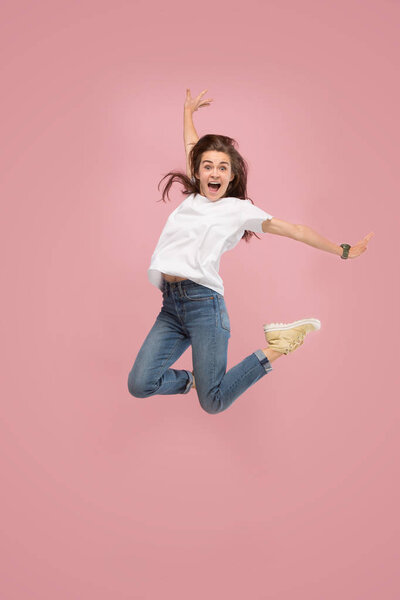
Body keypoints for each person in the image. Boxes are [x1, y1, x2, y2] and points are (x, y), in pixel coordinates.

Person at [127, 89, 373, 414]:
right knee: (140, 384)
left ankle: (279, 346)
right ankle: (192, 380)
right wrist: (188, 112)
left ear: (231, 176)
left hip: (205, 307)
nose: (214, 172)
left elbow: (294, 230)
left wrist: (341, 250)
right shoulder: (193, 199)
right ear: (198, 172)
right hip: (171, 307)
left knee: (213, 403)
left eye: (222, 168)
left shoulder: (238, 210)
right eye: (208, 167)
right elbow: (193, 146)